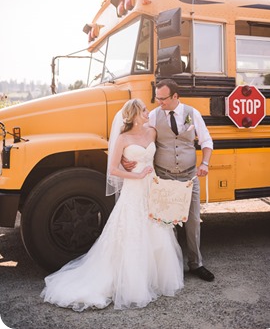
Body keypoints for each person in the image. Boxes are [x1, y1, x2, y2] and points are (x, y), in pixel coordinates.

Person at [40, 99, 184, 311]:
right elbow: (114, 170)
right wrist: (135, 174)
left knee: (157, 230)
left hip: (151, 188)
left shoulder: (151, 132)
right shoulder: (123, 139)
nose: (147, 112)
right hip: (134, 190)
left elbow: (158, 153)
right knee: (133, 232)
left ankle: (155, 277)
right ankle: (131, 282)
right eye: (144, 110)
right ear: (135, 114)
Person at [122, 79, 214, 282]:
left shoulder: (192, 113)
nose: (159, 102)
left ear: (175, 97)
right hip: (163, 176)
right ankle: (170, 266)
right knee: (165, 223)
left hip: (189, 176)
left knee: (192, 221)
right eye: (157, 98)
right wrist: (124, 157)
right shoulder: (153, 116)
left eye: (163, 98)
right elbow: (135, 136)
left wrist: (204, 163)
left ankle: (196, 264)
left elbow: (206, 140)